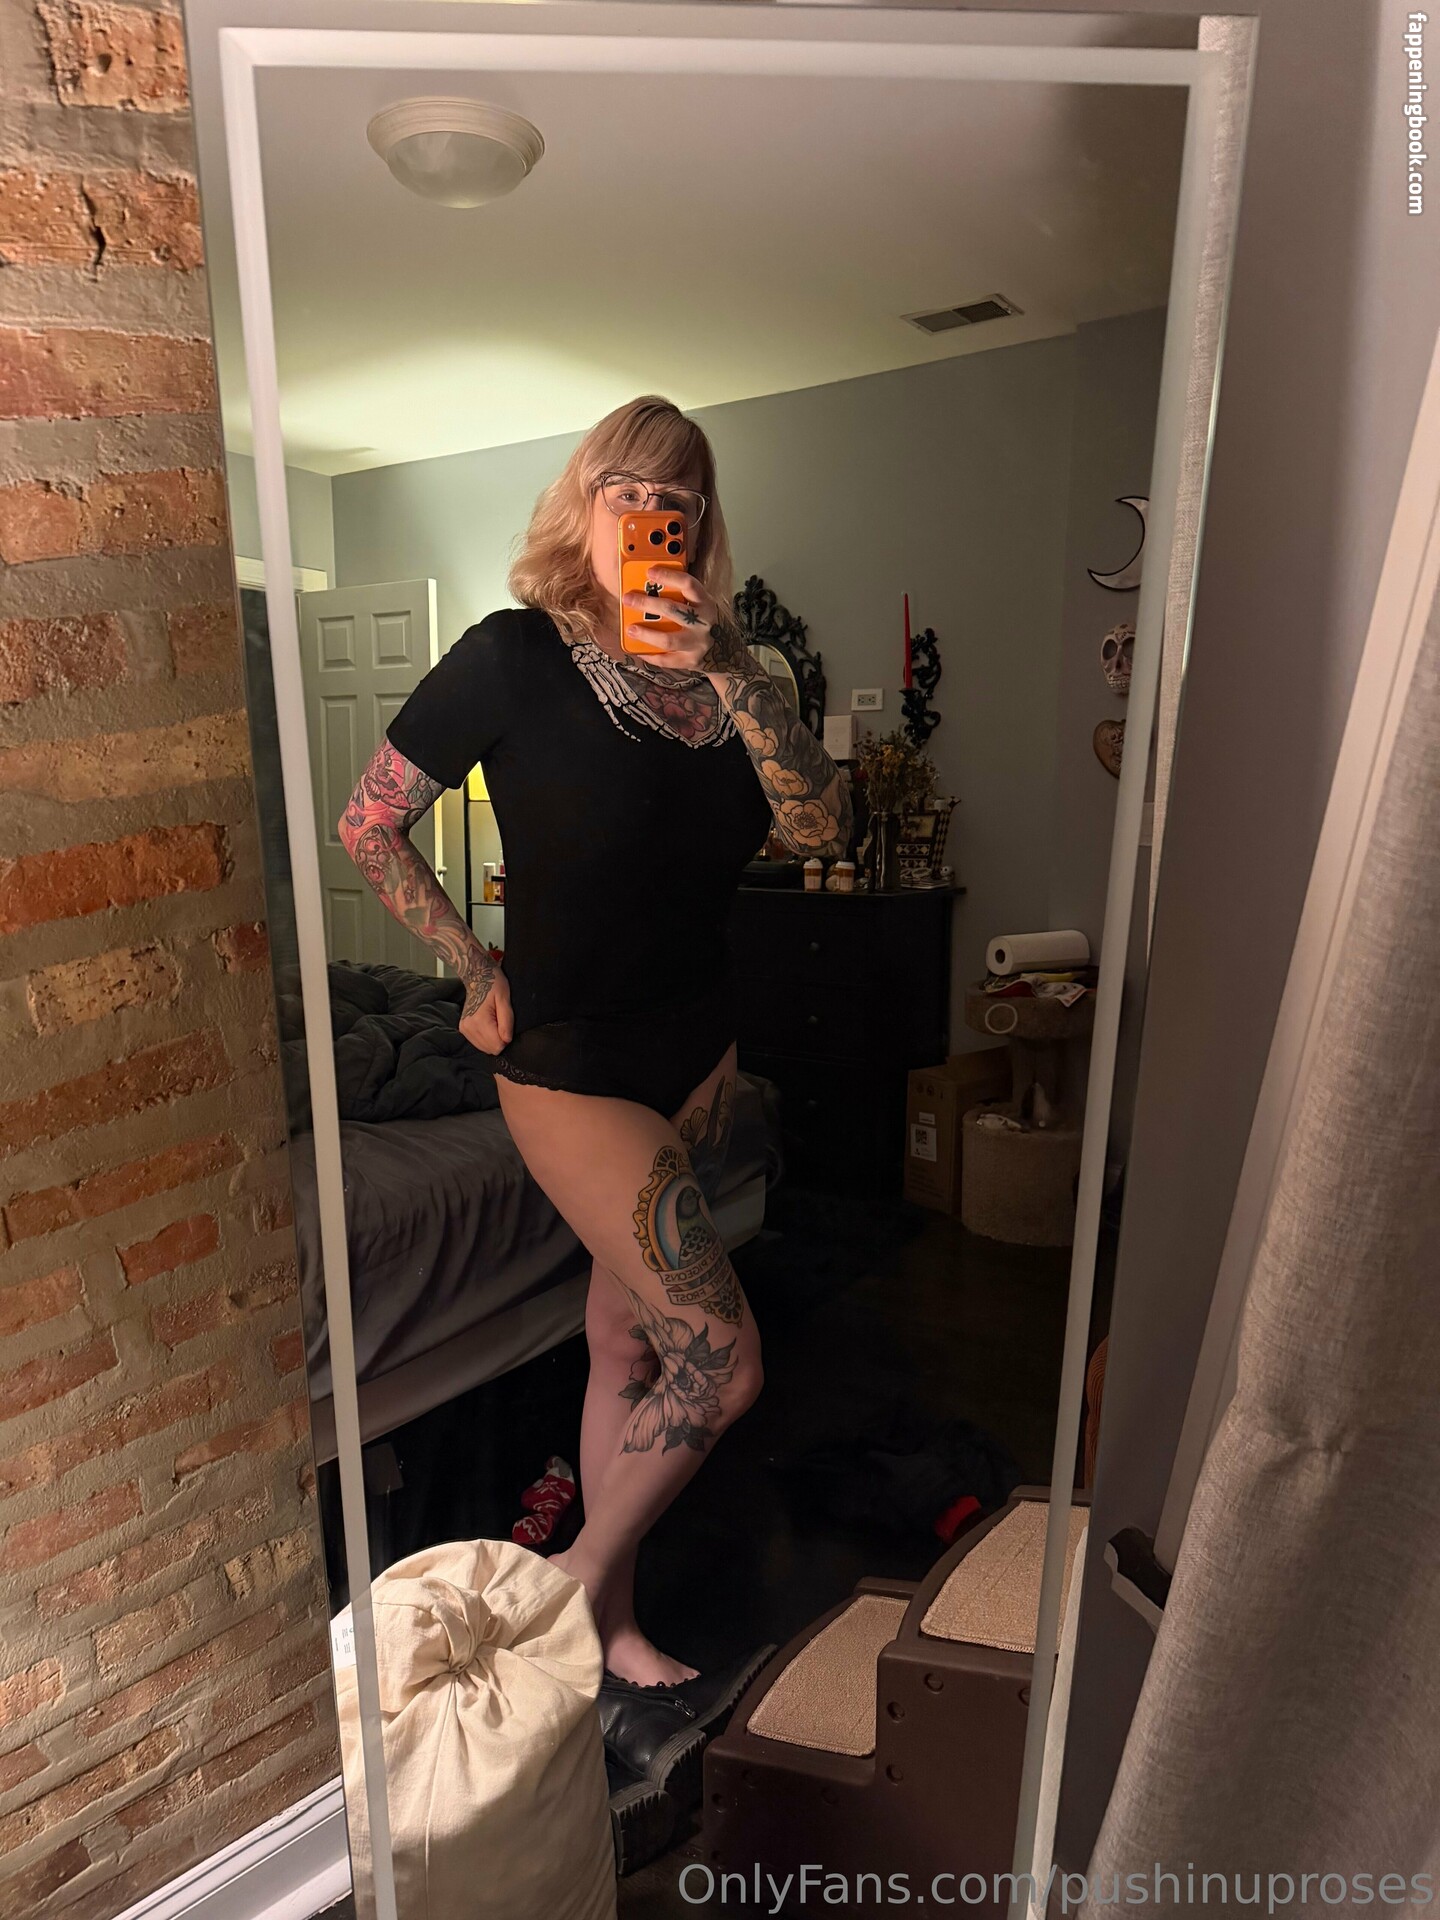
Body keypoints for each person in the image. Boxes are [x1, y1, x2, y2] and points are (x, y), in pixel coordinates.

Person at [338, 396, 851, 1709]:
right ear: (583, 503)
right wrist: (469, 965)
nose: (649, 511)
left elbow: (818, 835)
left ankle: (607, 1624)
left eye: (675, 494)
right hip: (567, 1064)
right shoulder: (513, 655)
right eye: (624, 487)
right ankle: (571, 1583)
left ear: (701, 520)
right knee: (722, 1358)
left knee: (627, 1342)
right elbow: (369, 822)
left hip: (699, 1056)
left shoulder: (742, 680)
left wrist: (732, 670)